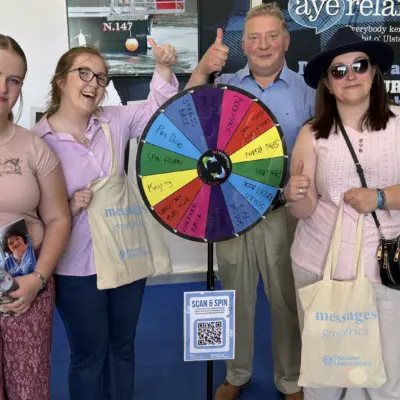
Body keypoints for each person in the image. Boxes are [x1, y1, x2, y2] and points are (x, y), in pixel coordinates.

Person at [32, 40, 178, 400]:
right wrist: (65, 206)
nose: (94, 83)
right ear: (60, 81)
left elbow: (156, 112)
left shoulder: (113, 120)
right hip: (76, 265)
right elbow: (28, 212)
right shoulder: (37, 141)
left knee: (123, 346)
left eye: (101, 77)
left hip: (126, 253)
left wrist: (162, 69)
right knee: (89, 355)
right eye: (84, 73)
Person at [186, 3, 315, 400]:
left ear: (286, 40)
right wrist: (202, 70)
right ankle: (236, 374)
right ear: (244, 44)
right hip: (230, 211)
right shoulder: (222, 85)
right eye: (254, 37)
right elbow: (184, 117)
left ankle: (290, 378)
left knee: (285, 301)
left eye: (272, 36)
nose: (263, 45)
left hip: (284, 213)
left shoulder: (309, 93)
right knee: (235, 296)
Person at [285, 26, 400, 399]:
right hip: (321, 265)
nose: (350, 76)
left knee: (385, 375)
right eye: (338, 70)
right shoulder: (312, 133)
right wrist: (294, 195)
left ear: (374, 73)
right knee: (326, 375)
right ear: (327, 83)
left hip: (384, 269)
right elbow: (303, 209)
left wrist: (380, 198)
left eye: (359, 65)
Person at [0, 34, 71, 399]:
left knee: (29, 390)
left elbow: (59, 218)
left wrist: (38, 279)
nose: (3, 88)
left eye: (14, 80)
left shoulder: (34, 147)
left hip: (25, 288)